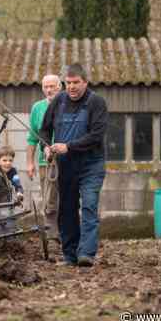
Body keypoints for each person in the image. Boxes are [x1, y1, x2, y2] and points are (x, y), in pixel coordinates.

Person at [39, 63, 108, 267]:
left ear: (85, 82)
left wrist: (68, 146)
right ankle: (69, 256)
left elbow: (96, 136)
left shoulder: (96, 103)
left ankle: (86, 253)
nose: (71, 87)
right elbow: (44, 130)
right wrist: (45, 147)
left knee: (88, 205)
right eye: (68, 83)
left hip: (91, 164)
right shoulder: (58, 101)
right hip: (65, 165)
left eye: (76, 83)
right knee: (66, 210)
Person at [26, 74, 61, 237]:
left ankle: (62, 230)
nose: (49, 90)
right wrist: (29, 163)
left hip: (66, 159)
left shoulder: (66, 105)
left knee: (65, 196)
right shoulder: (37, 108)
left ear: (60, 87)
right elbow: (32, 138)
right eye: (46, 87)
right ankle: (51, 232)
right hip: (44, 161)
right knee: (48, 197)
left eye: (52, 86)